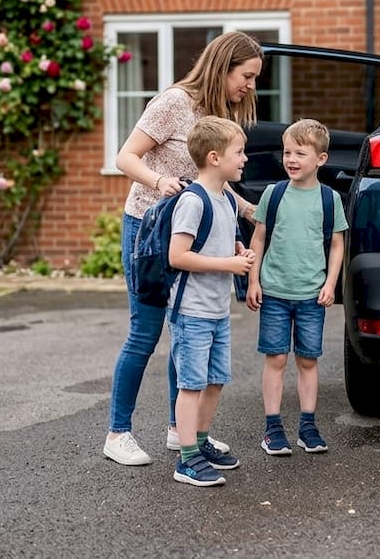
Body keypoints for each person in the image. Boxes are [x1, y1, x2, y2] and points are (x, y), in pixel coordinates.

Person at [103, 31, 261, 467]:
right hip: (150, 232)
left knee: (185, 334)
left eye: (253, 79)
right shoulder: (173, 101)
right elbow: (126, 157)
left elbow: (218, 179)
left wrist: (250, 209)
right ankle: (118, 433)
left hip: (191, 234)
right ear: (223, 65)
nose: (249, 86)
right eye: (246, 76)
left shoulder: (216, 115)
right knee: (146, 332)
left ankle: (181, 429)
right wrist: (159, 182)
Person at [246, 119, 348, 456]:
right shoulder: (273, 194)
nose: (291, 159)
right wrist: (253, 280)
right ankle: (272, 428)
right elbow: (258, 238)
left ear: (320, 159)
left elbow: (336, 244)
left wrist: (331, 284)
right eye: (287, 152)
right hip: (274, 292)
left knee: (307, 361)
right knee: (275, 358)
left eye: (300, 153)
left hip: (311, 295)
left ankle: (307, 427)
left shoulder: (329, 199)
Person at [168, 115, 253, 486]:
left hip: (218, 310)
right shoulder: (193, 200)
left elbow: (217, 242)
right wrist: (229, 263)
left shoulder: (226, 201)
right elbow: (178, 256)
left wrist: (235, 249)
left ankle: (200, 444)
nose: (245, 158)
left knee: (216, 380)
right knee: (191, 384)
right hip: (192, 311)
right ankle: (186, 459)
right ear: (215, 157)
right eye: (240, 152)